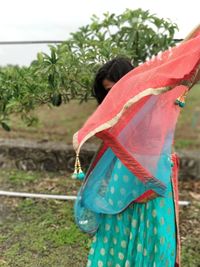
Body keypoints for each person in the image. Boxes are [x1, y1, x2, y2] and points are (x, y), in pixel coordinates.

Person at [83, 57, 179, 267]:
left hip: (153, 176)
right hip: (122, 179)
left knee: (149, 232)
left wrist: (149, 182)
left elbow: (159, 143)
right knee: (118, 225)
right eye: (108, 92)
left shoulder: (155, 103)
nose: (113, 97)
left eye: (117, 89)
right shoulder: (114, 115)